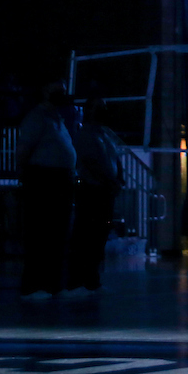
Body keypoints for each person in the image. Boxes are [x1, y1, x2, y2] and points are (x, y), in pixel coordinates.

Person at [16, 80, 78, 299]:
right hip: (43, 180)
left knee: (57, 234)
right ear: (45, 92)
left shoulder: (57, 119)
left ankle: (52, 284)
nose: (62, 94)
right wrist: (25, 175)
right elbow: (24, 149)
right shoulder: (37, 118)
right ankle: (33, 285)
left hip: (60, 180)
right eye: (56, 90)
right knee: (40, 232)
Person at [68, 98, 126, 293]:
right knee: (87, 234)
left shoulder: (106, 133)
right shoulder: (84, 134)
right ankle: (77, 280)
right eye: (99, 108)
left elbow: (116, 156)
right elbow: (90, 162)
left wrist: (119, 178)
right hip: (91, 189)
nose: (104, 111)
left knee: (99, 236)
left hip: (105, 190)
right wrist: (109, 180)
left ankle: (93, 279)